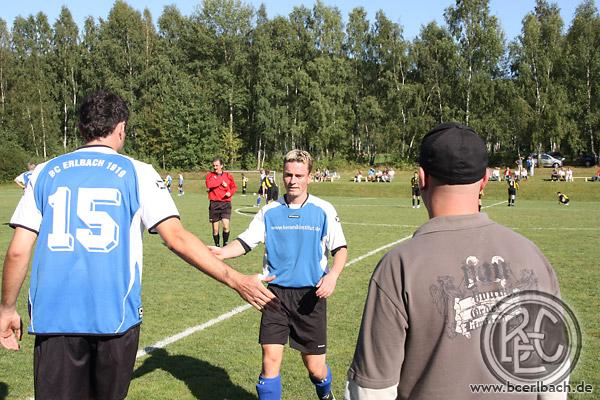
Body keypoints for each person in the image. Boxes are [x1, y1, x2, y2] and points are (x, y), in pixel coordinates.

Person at [0, 91, 276, 400]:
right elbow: (176, 237)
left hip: (55, 317)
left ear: (80, 128)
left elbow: (18, 250)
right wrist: (236, 279)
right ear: (121, 128)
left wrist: (7, 308)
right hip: (114, 316)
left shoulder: (43, 172)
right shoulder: (138, 172)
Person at [345, 123, 564, 400]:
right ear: (485, 180)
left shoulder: (399, 266)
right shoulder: (532, 255)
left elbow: (371, 390)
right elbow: (553, 377)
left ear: (421, 178)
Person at [211, 149, 348, 400]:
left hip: (311, 297)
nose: (293, 180)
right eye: (288, 175)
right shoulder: (269, 211)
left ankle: (326, 394)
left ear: (310, 177)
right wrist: (221, 253)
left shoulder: (324, 209)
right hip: (274, 296)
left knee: (315, 369)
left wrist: (333, 276)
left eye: (299, 175)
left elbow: (340, 249)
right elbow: (245, 242)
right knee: (270, 361)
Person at [205, 157, 237, 247]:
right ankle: (217, 246)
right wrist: (220, 181)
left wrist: (230, 193)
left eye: (217, 165)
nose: (215, 167)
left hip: (226, 204)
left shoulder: (228, 176)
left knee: (226, 226)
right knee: (215, 230)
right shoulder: (210, 175)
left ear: (221, 166)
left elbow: (234, 187)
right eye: (214, 166)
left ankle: (225, 245)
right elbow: (209, 184)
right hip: (214, 204)